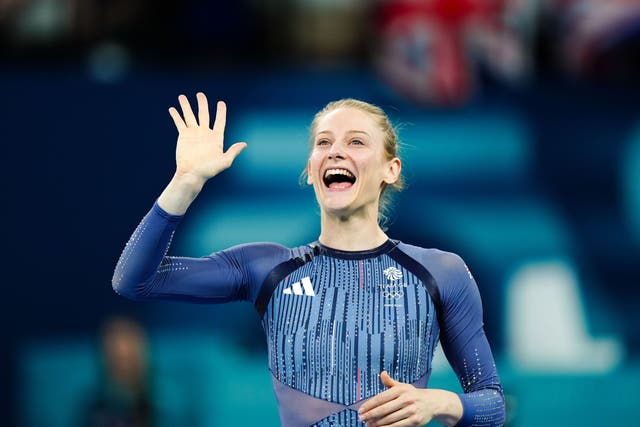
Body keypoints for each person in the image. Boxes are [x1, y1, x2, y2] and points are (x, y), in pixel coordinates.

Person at [112, 92, 506, 427]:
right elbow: (134, 280)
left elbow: (492, 403)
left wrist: (439, 402)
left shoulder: (441, 271)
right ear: (311, 169)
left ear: (391, 168)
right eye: (323, 143)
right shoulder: (265, 268)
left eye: (356, 142)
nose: (336, 150)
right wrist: (185, 182)